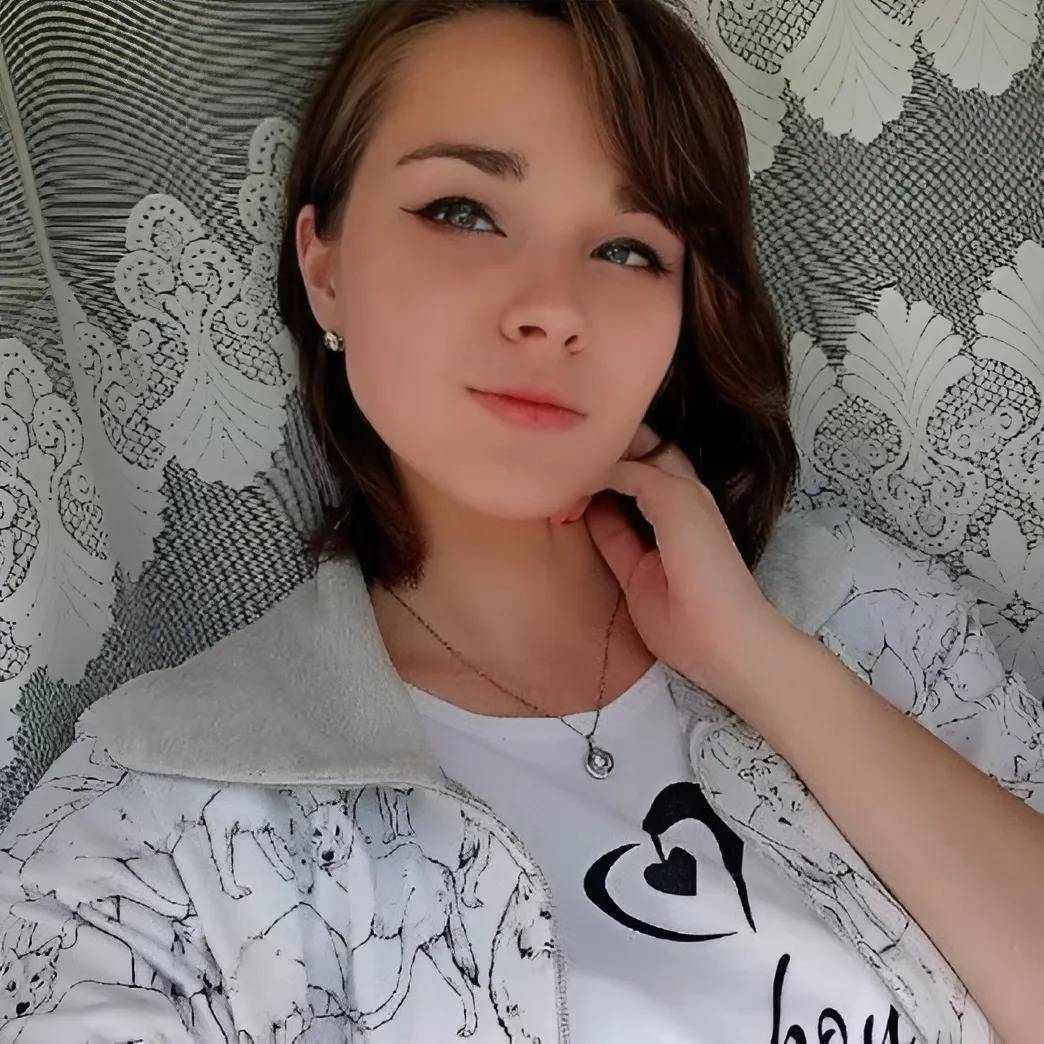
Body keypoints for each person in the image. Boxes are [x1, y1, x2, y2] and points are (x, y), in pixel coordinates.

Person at [0, 1, 1041, 1041]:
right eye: (463, 211)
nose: (555, 308)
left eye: (628, 249)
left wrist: (761, 662)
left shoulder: (874, 621)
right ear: (325, 266)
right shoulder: (159, 826)